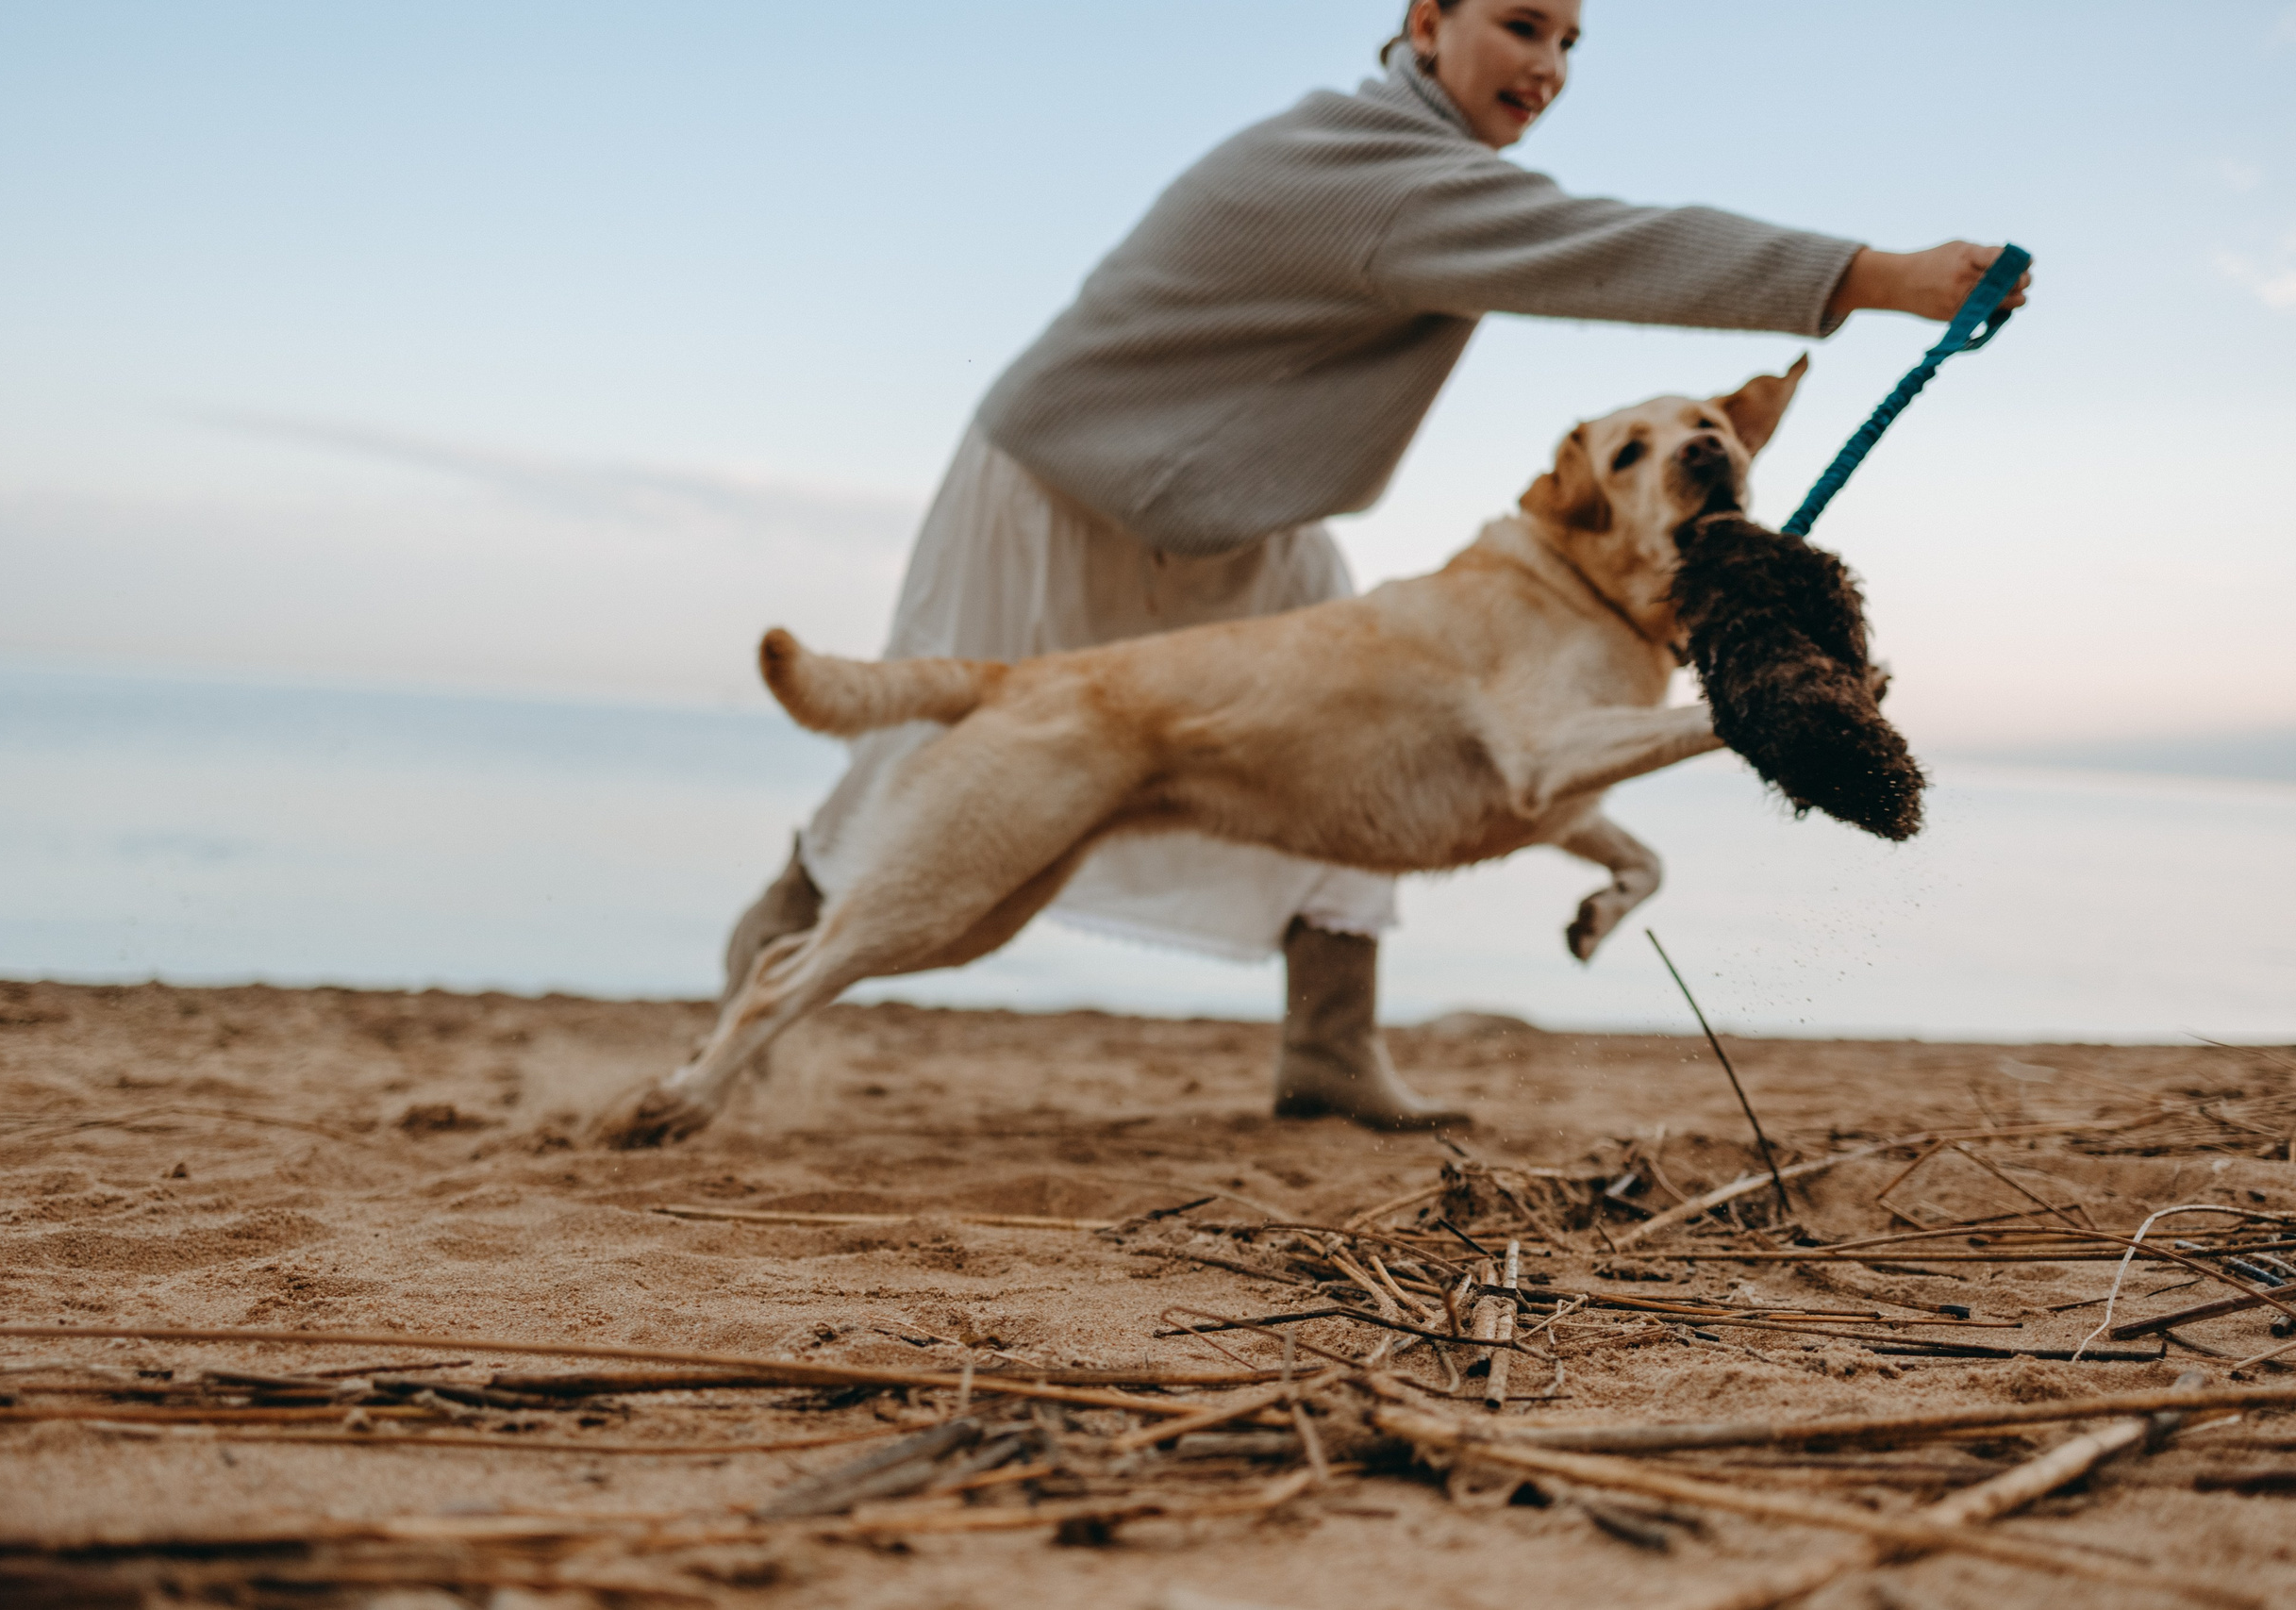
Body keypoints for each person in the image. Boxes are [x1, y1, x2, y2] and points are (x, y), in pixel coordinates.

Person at [719, 0, 2027, 1131]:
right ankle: (771, 950)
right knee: (940, 755)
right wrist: (1881, 277)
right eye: (1520, 24)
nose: (1550, 64)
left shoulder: (1421, 163)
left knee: (1373, 731)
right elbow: (1606, 250)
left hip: (1244, 509)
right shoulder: (1373, 168)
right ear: (1424, 22)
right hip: (1063, 480)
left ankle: (1332, 1047)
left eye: (1571, 40)